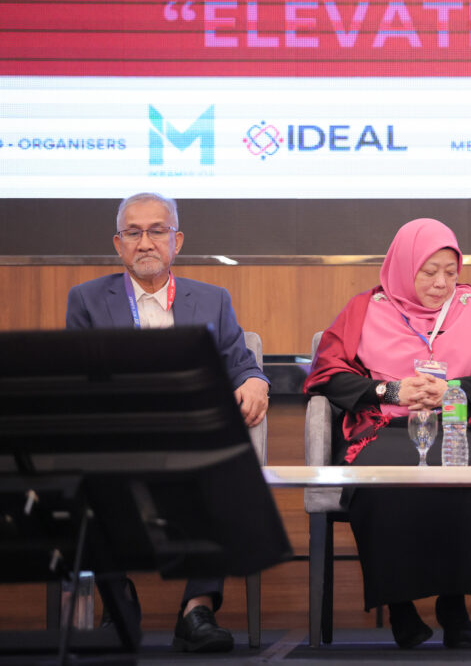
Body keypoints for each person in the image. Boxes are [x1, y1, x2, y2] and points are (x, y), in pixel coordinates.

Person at [303, 218, 471, 649]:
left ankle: (454, 605)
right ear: (404, 267)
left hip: (455, 425)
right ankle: (400, 608)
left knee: (470, 477)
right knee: (382, 481)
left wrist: (453, 389)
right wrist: (391, 390)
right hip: (383, 428)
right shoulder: (365, 308)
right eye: (429, 271)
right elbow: (326, 375)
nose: (442, 283)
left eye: (450, 272)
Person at [66, 192, 269, 653]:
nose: (145, 242)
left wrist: (256, 381)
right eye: (133, 232)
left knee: (223, 470)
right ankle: (117, 606)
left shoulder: (213, 300)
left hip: (191, 438)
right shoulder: (88, 300)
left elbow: (240, 363)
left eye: (156, 231)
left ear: (176, 240)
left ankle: (197, 609)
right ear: (118, 244)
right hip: (119, 437)